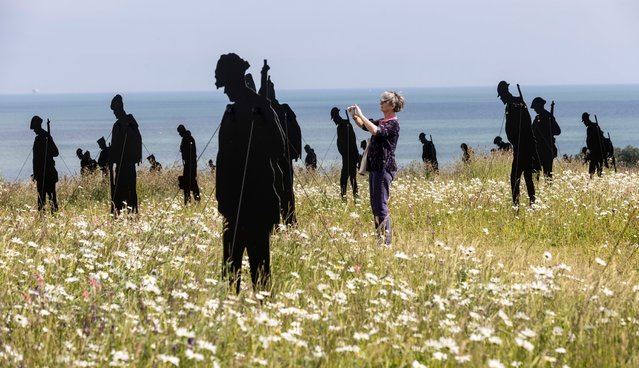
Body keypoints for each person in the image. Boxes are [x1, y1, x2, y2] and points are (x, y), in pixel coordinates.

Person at [214, 53, 285, 293]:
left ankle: (264, 316)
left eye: (226, 86)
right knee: (230, 270)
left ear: (236, 81)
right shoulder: (232, 111)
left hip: (257, 202)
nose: (225, 92)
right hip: (233, 205)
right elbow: (223, 157)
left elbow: (279, 148)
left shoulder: (261, 107)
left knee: (260, 268)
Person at [349, 91, 405, 246]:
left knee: (380, 206)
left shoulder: (393, 124)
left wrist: (361, 114)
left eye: (384, 101)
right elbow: (365, 126)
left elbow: (375, 131)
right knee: (375, 206)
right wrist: (356, 117)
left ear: (392, 105)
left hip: (384, 168)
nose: (381, 103)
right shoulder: (382, 121)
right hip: (375, 168)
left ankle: (385, 243)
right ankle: (380, 240)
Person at [259, 62, 301, 225]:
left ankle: (284, 220)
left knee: (280, 190)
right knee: (283, 190)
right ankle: (287, 220)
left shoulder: (274, 109)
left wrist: (263, 75)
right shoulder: (282, 108)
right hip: (281, 157)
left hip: (277, 158)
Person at [497, 81, 536, 206]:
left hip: (522, 147)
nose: (501, 98)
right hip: (520, 146)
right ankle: (531, 204)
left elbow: (524, 126)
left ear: (504, 93)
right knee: (526, 177)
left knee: (516, 178)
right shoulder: (513, 103)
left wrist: (518, 141)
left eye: (501, 95)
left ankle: (518, 206)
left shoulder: (514, 104)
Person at [109, 94, 142, 215]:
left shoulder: (119, 125)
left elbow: (115, 146)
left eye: (115, 110)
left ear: (119, 108)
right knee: (129, 190)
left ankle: (121, 214)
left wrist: (109, 153)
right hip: (128, 164)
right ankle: (131, 213)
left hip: (124, 164)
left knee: (121, 190)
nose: (114, 113)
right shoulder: (131, 123)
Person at [31, 116, 59, 213]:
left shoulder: (47, 137)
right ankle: (42, 221)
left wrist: (48, 148)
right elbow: (35, 159)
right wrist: (35, 173)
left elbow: (56, 152)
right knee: (40, 200)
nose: (34, 131)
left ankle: (54, 219)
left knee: (52, 199)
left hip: (49, 173)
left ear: (38, 126)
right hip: (40, 174)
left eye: (35, 128)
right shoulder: (38, 139)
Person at [331, 107, 359, 201]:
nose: (334, 120)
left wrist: (352, 155)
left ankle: (349, 198)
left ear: (336, 116)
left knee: (348, 178)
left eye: (334, 118)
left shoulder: (344, 126)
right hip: (347, 156)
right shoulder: (343, 125)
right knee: (350, 178)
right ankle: (352, 198)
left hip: (349, 156)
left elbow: (351, 142)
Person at [530, 97, 561, 180]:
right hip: (539, 150)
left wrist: (549, 128)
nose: (535, 110)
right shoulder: (538, 119)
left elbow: (557, 131)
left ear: (539, 106)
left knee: (547, 174)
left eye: (535, 108)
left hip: (546, 149)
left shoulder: (548, 117)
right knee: (536, 173)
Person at [177, 124, 201, 204]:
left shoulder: (188, 139)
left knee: (191, 182)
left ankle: (192, 200)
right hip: (189, 164)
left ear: (182, 131)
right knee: (188, 182)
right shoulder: (187, 138)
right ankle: (191, 200)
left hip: (190, 164)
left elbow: (190, 152)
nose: (179, 134)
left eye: (180, 132)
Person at [582, 112, 605, 178]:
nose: (584, 123)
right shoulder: (594, 125)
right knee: (597, 168)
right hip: (596, 150)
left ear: (586, 120)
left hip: (595, 151)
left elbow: (594, 139)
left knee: (593, 169)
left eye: (584, 121)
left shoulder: (591, 128)